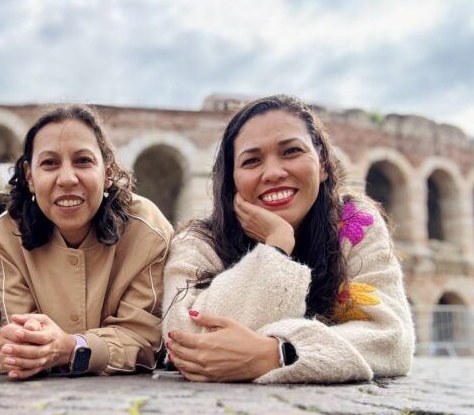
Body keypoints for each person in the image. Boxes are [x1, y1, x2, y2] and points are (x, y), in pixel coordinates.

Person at [163, 94, 414, 383]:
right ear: (231, 180)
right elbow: (186, 340)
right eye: (252, 160)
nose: (273, 173)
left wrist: (281, 353)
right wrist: (276, 247)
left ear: (322, 165)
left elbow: (392, 340)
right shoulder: (198, 243)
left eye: (291, 151)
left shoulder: (355, 224)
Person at [0, 104, 173, 379]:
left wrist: (73, 348)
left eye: (83, 161)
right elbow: (15, 329)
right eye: (49, 163)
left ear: (108, 172)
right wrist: (21, 346)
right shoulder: (6, 236)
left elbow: (142, 339)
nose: (68, 179)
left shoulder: (146, 232)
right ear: (29, 176)